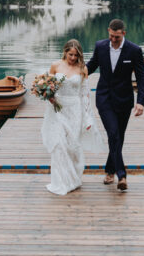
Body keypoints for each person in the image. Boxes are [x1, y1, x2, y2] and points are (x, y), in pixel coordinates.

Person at [86, 18, 144, 191]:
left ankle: (109, 170)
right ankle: (122, 175)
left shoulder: (134, 50)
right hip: (104, 98)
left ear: (123, 34)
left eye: (117, 37)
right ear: (108, 32)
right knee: (113, 134)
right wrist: (71, 72)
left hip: (124, 100)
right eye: (111, 36)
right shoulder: (100, 46)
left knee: (118, 136)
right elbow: (91, 66)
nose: (113, 40)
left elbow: (142, 77)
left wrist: (141, 102)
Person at [40, 39, 100, 195]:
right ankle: (60, 181)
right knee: (59, 144)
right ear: (65, 52)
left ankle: (73, 178)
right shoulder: (55, 66)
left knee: (72, 145)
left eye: (75, 55)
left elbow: (85, 94)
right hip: (57, 109)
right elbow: (47, 85)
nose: (73, 58)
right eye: (70, 54)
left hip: (74, 109)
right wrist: (49, 95)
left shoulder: (83, 69)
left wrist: (87, 117)